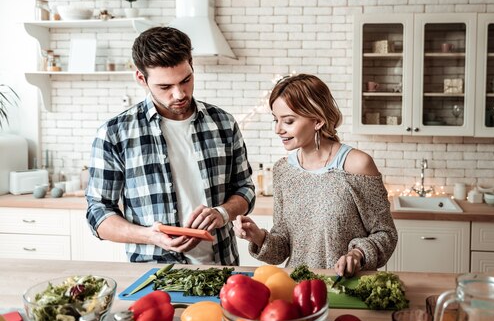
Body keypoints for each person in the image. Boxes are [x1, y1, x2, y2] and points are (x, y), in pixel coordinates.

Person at [86, 26, 255, 264]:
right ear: (141, 79)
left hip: (221, 269)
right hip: (152, 275)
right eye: (165, 87)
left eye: (185, 80)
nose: (179, 94)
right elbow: (98, 213)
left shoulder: (223, 123)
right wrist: (150, 236)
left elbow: (245, 189)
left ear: (192, 65)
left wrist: (222, 213)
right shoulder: (114, 134)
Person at [234, 73, 397, 277]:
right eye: (276, 120)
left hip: (348, 288)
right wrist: (258, 237)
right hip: (298, 290)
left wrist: (357, 254)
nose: (278, 129)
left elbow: (385, 234)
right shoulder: (283, 171)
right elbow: (283, 246)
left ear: (318, 121)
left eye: (289, 121)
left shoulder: (357, 165)